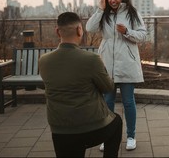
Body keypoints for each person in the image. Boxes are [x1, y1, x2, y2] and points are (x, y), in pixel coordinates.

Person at [38, 12, 122, 157]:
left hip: (59, 129)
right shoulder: (91, 59)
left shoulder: (44, 60)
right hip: (91, 127)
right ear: (79, 30)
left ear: (58, 31)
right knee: (117, 122)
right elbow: (108, 87)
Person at [86, 0, 147, 151]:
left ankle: (131, 136)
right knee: (107, 102)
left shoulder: (132, 13)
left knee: (128, 102)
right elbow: (89, 28)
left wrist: (127, 31)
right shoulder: (103, 14)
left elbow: (142, 35)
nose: (113, 0)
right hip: (107, 64)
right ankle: (107, 137)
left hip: (127, 63)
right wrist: (100, 9)